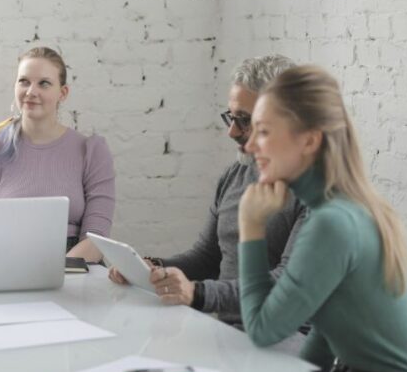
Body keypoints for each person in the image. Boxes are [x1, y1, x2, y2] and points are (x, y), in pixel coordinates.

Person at [238, 65, 407, 372]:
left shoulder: (333, 223)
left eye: (262, 131)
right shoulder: (345, 208)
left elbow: (262, 330)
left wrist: (251, 226)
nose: (249, 146)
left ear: (309, 140)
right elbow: (327, 333)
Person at [109, 55, 305, 326]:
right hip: (229, 330)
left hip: (287, 338)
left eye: (245, 120)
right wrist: (152, 269)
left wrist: (197, 294)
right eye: (231, 117)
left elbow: (289, 282)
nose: (232, 131)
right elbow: (208, 257)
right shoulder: (235, 175)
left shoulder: (316, 193)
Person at [0, 46, 114, 262]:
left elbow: (97, 239)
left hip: (77, 266)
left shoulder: (92, 151)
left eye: (44, 83)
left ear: (62, 93)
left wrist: (55, 273)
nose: (31, 92)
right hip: (5, 263)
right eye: (24, 81)